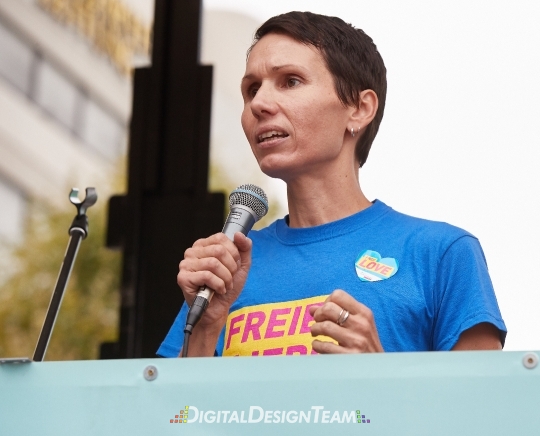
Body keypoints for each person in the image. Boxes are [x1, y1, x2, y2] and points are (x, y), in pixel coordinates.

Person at [158, 11, 506, 358]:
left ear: (359, 108)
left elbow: (484, 394)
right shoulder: (226, 269)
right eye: (252, 89)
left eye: (290, 81)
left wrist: (377, 369)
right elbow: (174, 397)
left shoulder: (441, 253)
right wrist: (205, 328)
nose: (259, 104)